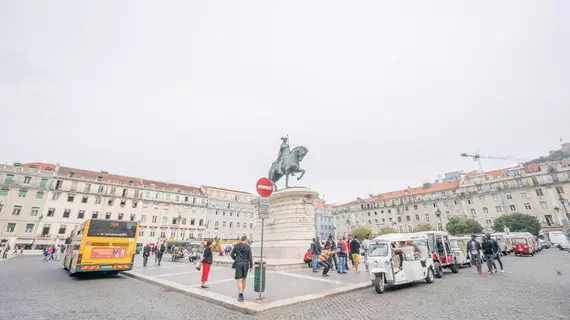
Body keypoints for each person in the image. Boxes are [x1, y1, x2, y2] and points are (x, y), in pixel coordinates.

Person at [230, 235, 253, 302]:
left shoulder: (237, 245)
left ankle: (241, 294)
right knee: (244, 279)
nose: (247, 240)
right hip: (245, 264)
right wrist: (251, 266)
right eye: (247, 239)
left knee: (239, 280)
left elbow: (232, 254)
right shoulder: (248, 247)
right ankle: (241, 293)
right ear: (245, 239)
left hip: (238, 263)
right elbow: (250, 257)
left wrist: (236, 259)